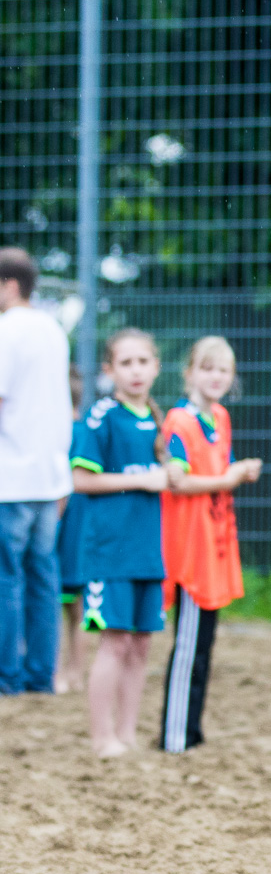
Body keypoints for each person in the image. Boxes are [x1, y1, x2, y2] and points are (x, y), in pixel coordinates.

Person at [158, 336, 262, 752]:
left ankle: (191, 731)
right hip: (189, 548)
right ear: (189, 373)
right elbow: (178, 480)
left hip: (215, 541)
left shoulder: (219, 417)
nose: (216, 376)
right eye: (208, 368)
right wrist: (228, 478)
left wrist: (234, 473)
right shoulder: (178, 422)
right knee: (188, 647)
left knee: (204, 644)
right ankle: (175, 737)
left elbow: (218, 469)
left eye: (224, 369)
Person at [70, 329, 168, 757]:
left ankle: (127, 734)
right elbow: (80, 480)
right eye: (126, 363)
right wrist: (141, 480)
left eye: (143, 362)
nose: (136, 371)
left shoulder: (160, 420)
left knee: (141, 643)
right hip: (110, 552)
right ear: (109, 370)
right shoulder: (101, 416)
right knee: (114, 641)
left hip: (149, 551)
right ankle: (100, 737)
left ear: (156, 367)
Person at [0, 247, 73, 695]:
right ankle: (40, 674)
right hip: (51, 475)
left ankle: (6, 676)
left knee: (7, 576)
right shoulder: (53, 329)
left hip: (11, 476)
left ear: (9, 285)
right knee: (43, 578)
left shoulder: (8, 330)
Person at [55, 367, 90, 693]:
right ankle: (73, 671)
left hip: (68, 527)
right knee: (72, 606)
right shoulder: (80, 431)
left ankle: (69, 672)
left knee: (67, 603)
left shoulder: (68, 434)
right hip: (73, 528)